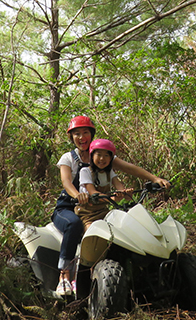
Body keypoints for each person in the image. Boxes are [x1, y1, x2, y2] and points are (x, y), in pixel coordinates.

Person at [52, 115, 170, 296]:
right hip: (68, 207)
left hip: (98, 206)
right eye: (77, 134)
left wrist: (155, 179)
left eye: (85, 133)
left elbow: (130, 168)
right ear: (71, 137)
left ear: (92, 135)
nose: (82, 137)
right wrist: (78, 195)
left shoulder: (100, 156)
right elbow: (66, 181)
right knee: (73, 224)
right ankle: (64, 276)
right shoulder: (68, 158)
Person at [75, 139, 132, 230]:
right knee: (93, 233)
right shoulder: (85, 171)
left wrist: (125, 193)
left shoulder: (109, 172)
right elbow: (93, 192)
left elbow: (119, 186)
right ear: (92, 156)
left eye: (106, 155)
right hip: (87, 214)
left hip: (104, 211)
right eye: (99, 155)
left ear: (111, 158)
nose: (102, 158)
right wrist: (112, 198)